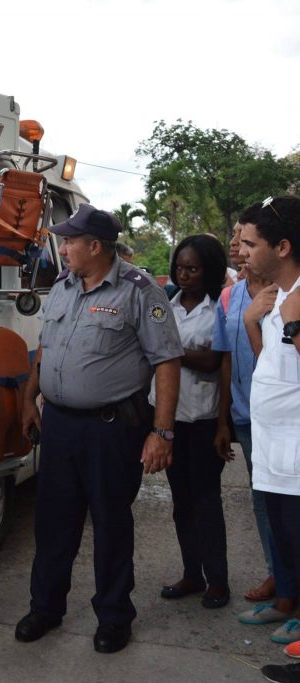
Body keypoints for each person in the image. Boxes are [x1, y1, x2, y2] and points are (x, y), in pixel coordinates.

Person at [15, 204, 183, 654]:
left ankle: (113, 616)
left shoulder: (139, 290)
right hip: (60, 426)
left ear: (95, 246)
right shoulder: (63, 288)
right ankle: (45, 608)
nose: (63, 247)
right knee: (53, 523)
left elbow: (166, 361)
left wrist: (161, 432)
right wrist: (30, 396)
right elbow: (46, 348)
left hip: (111, 429)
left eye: (69, 241)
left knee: (110, 524)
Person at [234, 197, 300, 683]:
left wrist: (291, 319)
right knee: (285, 537)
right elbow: (271, 369)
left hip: (297, 450)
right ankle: (290, 605)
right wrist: (253, 321)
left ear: (282, 246)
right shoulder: (276, 296)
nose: (241, 250)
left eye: (250, 243)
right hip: (275, 447)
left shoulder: (297, 299)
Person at [151, 234, 230, 608]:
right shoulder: (167, 305)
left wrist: (171, 352)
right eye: (179, 268)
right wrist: (184, 354)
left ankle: (218, 580)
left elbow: (214, 360)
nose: (184, 275)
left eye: (193, 269)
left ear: (209, 270)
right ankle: (191, 574)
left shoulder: (219, 310)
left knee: (206, 502)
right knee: (181, 502)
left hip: (202, 419)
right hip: (170, 420)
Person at [215, 219, 289, 613]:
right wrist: (224, 419)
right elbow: (227, 360)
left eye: (248, 242)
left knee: (288, 504)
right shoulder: (231, 297)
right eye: (237, 241)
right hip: (247, 415)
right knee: (264, 501)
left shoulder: (289, 296)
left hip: (286, 423)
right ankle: (279, 575)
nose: (240, 249)